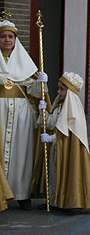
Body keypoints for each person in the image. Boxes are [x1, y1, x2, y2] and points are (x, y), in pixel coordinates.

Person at [33, 72, 90, 211]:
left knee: (65, 174)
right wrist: (44, 112)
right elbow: (52, 124)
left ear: (70, 91)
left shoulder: (73, 109)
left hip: (67, 150)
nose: (58, 92)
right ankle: (53, 200)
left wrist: (51, 138)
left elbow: (68, 134)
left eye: (62, 89)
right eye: (58, 88)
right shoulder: (59, 105)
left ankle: (69, 201)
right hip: (56, 149)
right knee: (54, 174)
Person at [0, 19, 46, 210]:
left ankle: (21, 193)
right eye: (3, 36)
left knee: (21, 152)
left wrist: (41, 83)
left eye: (10, 37)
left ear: (15, 40)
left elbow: (35, 91)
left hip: (21, 114)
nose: (6, 40)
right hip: (0, 111)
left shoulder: (25, 63)